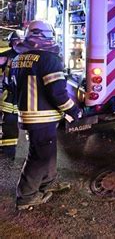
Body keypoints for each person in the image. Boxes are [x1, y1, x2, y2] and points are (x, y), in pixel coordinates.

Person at [10, 20, 81, 210]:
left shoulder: (18, 58)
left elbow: (11, 86)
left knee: (47, 152)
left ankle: (47, 184)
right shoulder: (49, 59)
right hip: (42, 117)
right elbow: (57, 92)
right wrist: (73, 111)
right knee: (39, 157)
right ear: (45, 37)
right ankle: (26, 196)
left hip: (29, 115)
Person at [0, 31, 22, 160]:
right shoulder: (7, 56)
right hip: (10, 96)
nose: (17, 43)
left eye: (19, 41)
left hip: (22, 95)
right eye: (15, 41)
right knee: (9, 122)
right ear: (11, 43)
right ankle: (8, 150)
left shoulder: (28, 55)